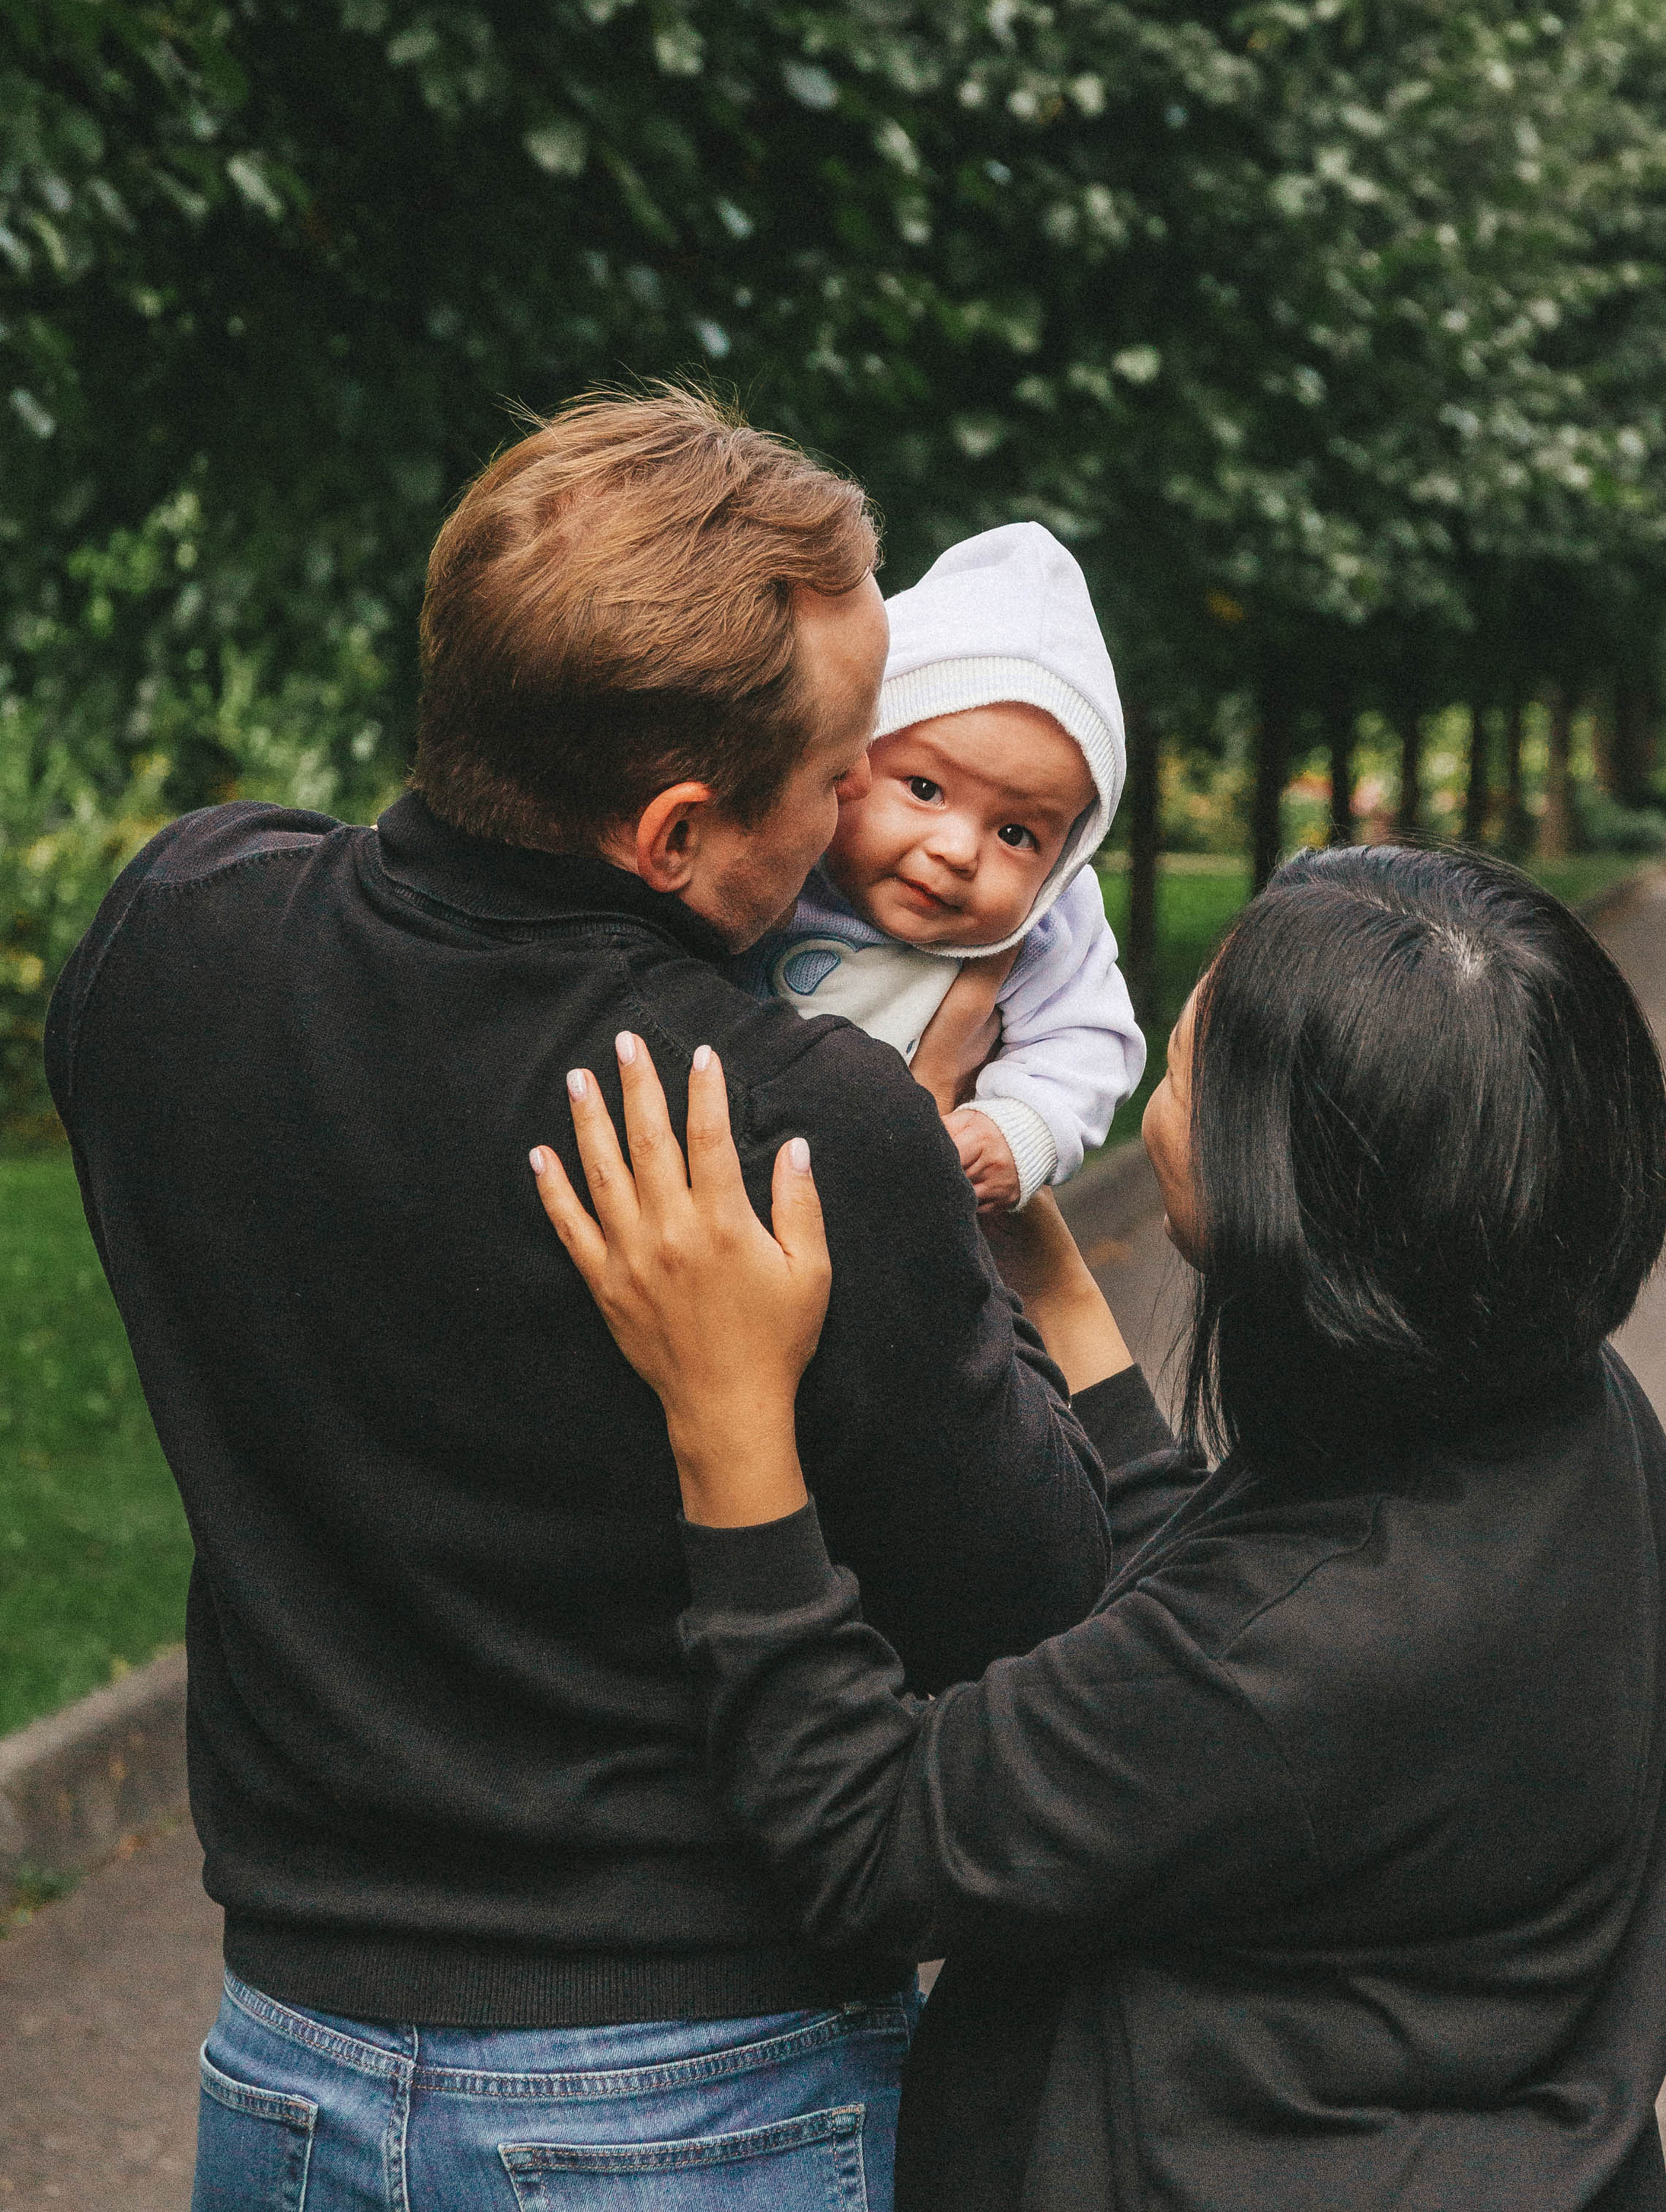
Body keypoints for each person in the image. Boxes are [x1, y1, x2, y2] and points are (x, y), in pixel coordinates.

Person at [44, 388, 1111, 2212]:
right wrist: (932, 1182)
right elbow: (1040, 1610)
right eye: (850, 759)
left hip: (288, 2052)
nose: (872, 803)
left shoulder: (174, 944)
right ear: (679, 829)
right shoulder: (799, 1127)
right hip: (693, 2091)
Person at [535, 841, 1666, 2211]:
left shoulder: (1309, 1647)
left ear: (1282, 1188)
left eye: (1194, 1049)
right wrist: (1037, 1264)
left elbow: (869, 1836)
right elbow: (1204, 1619)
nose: (1164, 1061)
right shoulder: (1553, 1403)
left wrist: (726, 1406)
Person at [742, 522, 1145, 1214]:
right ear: (850, 754)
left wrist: (1018, 1127)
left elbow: (1090, 1041)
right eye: (924, 790)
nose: (958, 852)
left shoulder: (1049, 928)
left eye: (1017, 834)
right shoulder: (778, 866)